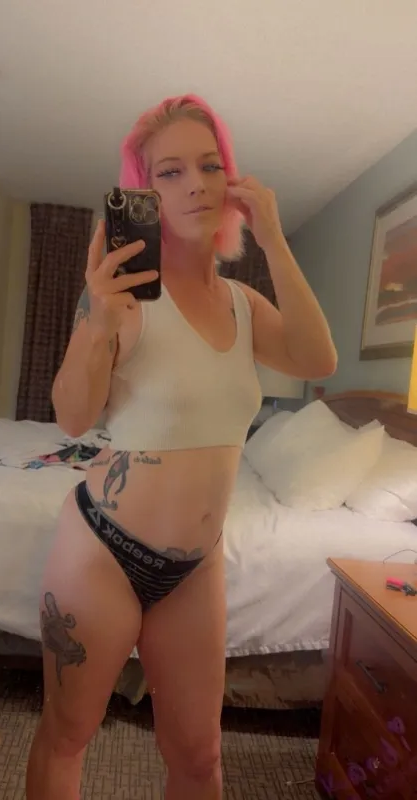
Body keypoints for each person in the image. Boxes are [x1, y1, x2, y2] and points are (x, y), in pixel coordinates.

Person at [26, 93, 337, 800]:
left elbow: (319, 359)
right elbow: (71, 417)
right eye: (169, 171)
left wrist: (274, 238)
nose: (195, 183)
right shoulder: (123, 297)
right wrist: (97, 322)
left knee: (200, 759)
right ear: (146, 192)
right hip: (102, 552)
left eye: (209, 164)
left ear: (231, 180)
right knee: (67, 736)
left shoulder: (244, 305)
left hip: (196, 568)